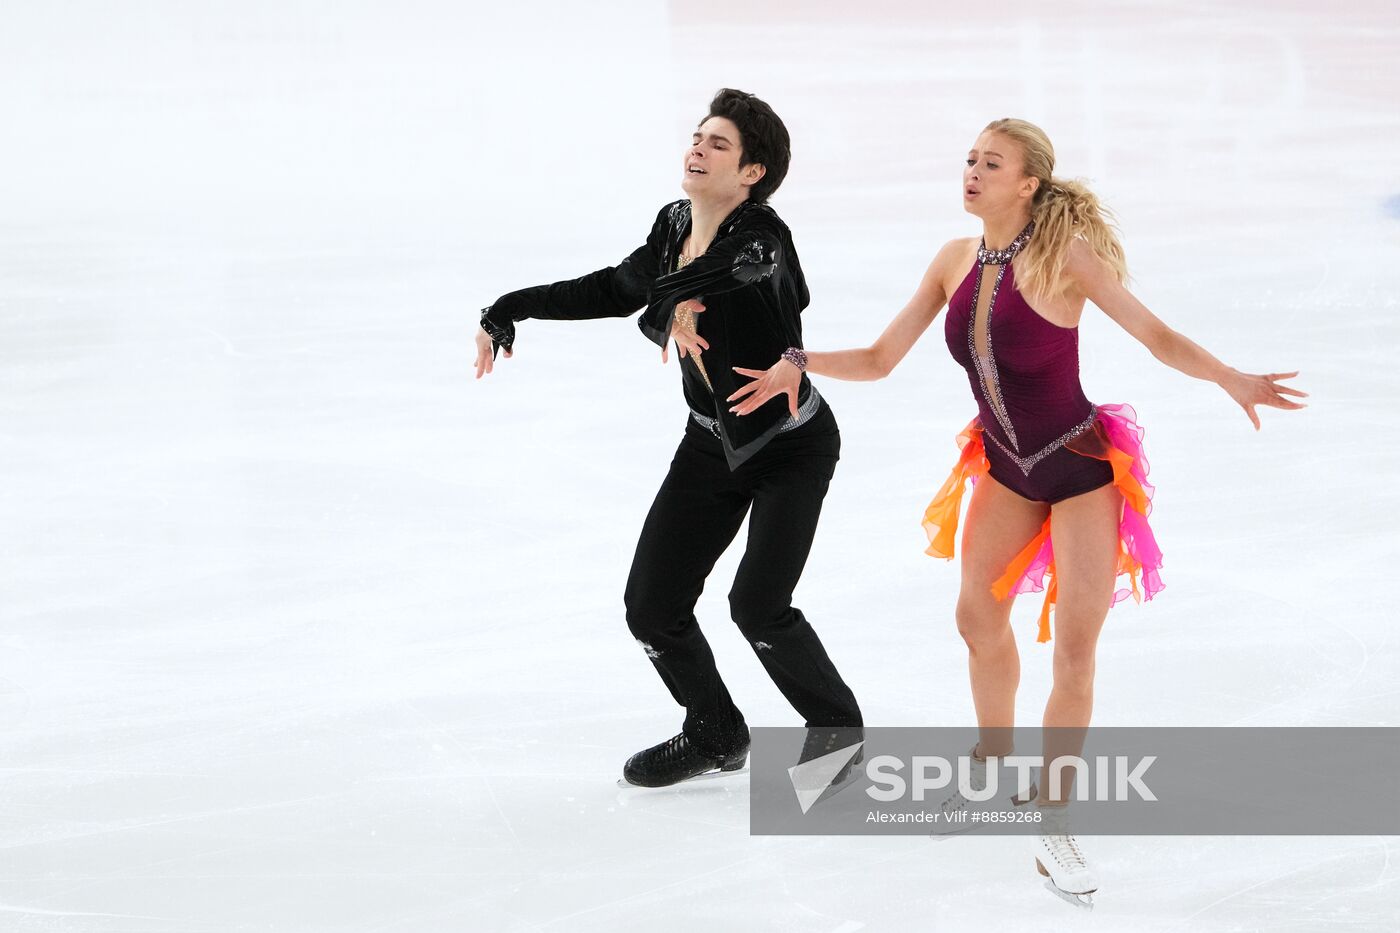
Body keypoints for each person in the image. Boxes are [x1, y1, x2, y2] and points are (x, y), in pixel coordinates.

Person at [726, 117, 1305, 903]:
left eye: (990, 163)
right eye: (969, 158)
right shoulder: (952, 260)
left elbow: (1156, 335)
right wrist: (799, 360)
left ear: (1027, 183)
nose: (971, 171)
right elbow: (880, 358)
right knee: (975, 616)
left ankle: (1055, 818)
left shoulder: (1066, 259)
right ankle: (994, 756)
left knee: (1073, 653)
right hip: (1003, 466)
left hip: (1078, 470)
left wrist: (1230, 376)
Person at [473, 89, 863, 788]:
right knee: (651, 606)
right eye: (697, 137)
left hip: (790, 447)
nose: (698, 149)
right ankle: (714, 728)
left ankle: (839, 737)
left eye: (718, 144)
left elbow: (747, 281)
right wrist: (513, 307)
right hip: (710, 445)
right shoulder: (675, 222)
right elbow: (620, 287)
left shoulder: (761, 239)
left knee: (758, 605)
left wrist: (669, 299)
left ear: (752, 172)